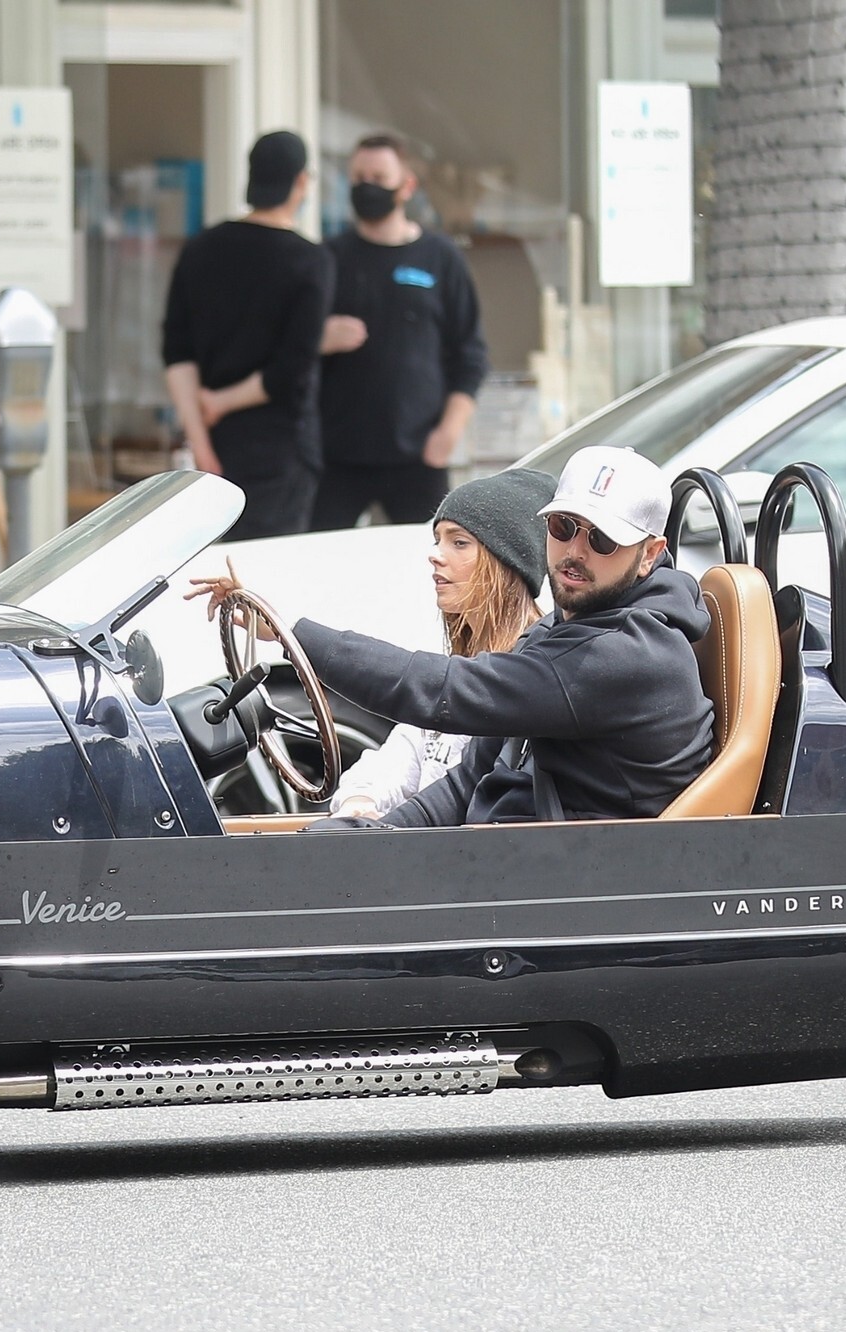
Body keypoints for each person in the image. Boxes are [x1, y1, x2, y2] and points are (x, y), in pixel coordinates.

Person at [290, 446, 713, 826]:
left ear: (649, 554)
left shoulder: (628, 654)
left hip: (574, 872)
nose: (575, 551)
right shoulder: (562, 628)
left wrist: (296, 637)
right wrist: (379, 835)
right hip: (510, 855)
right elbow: (469, 781)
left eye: (603, 539)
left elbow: (443, 690)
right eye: (563, 526)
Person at [320, 467, 550, 818]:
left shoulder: (533, 669)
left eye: (459, 542)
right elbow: (398, 758)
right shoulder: (459, 662)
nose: (436, 555)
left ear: (506, 560)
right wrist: (360, 801)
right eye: (437, 540)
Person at [309, 133, 490, 531]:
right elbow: (289, 347)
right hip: (338, 456)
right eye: (359, 178)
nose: (367, 187)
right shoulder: (328, 259)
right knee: (320, 556)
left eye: (379, 177)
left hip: (418, 454)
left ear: (406, 186)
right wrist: (320, 338)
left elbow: (471, 356)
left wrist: (448, 433)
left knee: (430, 557)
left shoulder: (440, 258)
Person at [162, 130, 334, 539]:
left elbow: (177, 351)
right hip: (281, 449)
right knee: (269, 567)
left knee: (213, 563)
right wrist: (220, 402)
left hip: (214, 447)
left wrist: (200, 442)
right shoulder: (310, 261)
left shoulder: (200, 249)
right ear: (301, 182)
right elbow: (290, 370)